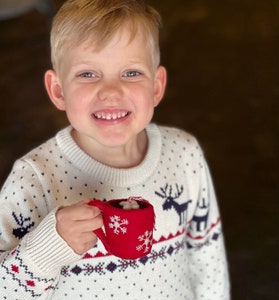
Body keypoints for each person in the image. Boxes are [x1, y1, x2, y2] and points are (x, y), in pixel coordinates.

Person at [0, 0, 230, 299]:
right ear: (58, 91)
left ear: (157, 86)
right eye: (88, 74)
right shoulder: (35, 179)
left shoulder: (185, 154)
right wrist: (47, 249)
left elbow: (207, 258)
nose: (110, 91)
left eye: (131, 73)